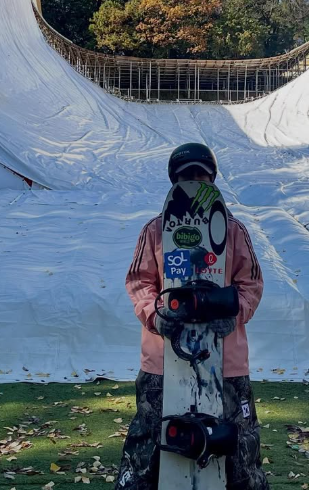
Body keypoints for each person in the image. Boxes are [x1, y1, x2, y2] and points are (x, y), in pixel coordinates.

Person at [115, 143, 270, 490]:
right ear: (174, 181)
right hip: (163, 359)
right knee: (149, 444)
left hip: (225, 361)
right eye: (187, 176)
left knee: (238, 447)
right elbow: (139, 282)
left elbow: (251, 284)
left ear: (213, 179)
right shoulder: (154, 231)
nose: (195, 181)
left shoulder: (234, 231)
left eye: (201, 175)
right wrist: (156, 316)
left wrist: (234, 313)